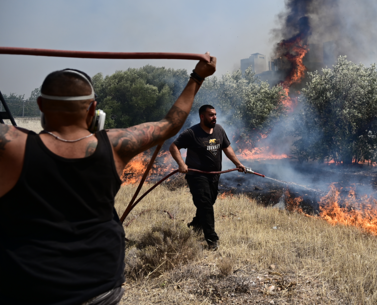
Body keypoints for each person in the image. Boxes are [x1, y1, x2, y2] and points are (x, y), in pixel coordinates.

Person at [0, 54, 216, 305]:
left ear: (40, 105)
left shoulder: (12, 147)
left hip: (28, 289)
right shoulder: (113, 146)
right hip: (99, 289)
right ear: (93, 109)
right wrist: (198, 76)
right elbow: (169, 124)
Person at [169, 105, 245, 250]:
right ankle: (211, 239)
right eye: (211, 115)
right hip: (197, 175)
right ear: (202, 116)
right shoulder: (192, 133)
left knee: (209, 201)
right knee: (205, 204)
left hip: (214, 175)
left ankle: (196, 225)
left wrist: (238, 164)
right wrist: (181, 164)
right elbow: (173, 147)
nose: (214, 117)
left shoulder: (219, 130)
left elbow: (227, 147)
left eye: (215, 114)